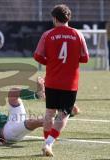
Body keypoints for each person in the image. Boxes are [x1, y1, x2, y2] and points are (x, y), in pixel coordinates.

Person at [34, 4, 89, 157]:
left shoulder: (48, 35)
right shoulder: (78, 34)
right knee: (64, 114)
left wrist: (51, 63)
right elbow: (85, 58)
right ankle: (48, 144)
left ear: (54, 18)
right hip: (70, 83)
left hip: (51, 80)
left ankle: (46, 142)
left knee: (49, 113)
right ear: (68, 18)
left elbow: (37, 56)